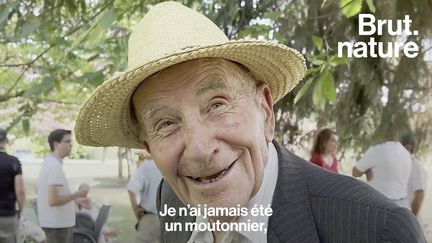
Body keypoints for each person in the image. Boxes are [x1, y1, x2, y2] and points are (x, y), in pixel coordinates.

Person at [74, 2, 426, 242]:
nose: (198, 149)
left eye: (217, 104)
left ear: (266, 112)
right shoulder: (173, 197)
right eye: (165, 123)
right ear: (149, 148)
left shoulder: (376, 229)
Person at [36, 129, 88, 243]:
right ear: (56, 144)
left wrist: (76, 200)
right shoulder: (54, 166)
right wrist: (78, 194)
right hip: (57, 226)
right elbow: (53, 200)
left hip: (57, 224)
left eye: (71, 142)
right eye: (67, 141)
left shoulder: (51, 163)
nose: (71, 145)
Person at [352, 140, 412, 209]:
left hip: (382, 207)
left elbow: (355, 172)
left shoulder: (378, 149)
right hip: (403, 206)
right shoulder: (404, 151)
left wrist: (366, 170)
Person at [127, 153, 162, 243]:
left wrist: (136, 209)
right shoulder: (181, 165)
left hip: (150, 220)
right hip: (177, 221)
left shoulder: (148, 166)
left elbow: (132, 189)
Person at [0, 128, 25, 243]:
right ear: (5, 141)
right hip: (7, 216)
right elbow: (20, 191)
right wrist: (20, 210)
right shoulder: (13, 162)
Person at [400, 133, 428, 216]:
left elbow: (419, 194)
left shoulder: (415, 166)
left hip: (409, 220)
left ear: (409, 147)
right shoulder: (402, 166)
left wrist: (411, 219)